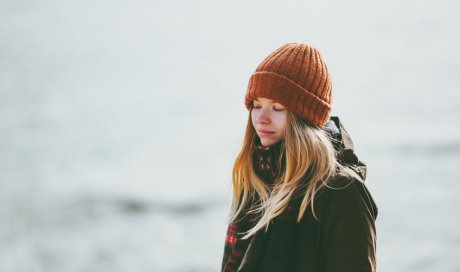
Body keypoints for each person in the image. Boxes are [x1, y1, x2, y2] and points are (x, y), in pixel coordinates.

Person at [220, 43, 378, 272]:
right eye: (256, 105)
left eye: (277, 107)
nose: (261, 118)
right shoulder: (256, 182)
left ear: (304, 119)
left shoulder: (342, 192)